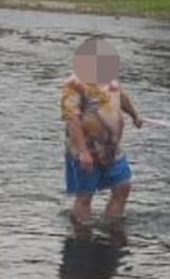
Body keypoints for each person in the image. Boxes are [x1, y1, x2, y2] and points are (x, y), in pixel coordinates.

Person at [61, 35, 143, 224]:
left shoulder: (109, 78)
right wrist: (83, 152)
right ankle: (81, 235)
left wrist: (134, 115)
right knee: (85, 195)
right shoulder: (74, 84)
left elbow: (120, 96)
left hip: (111, 148)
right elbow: (71, 118)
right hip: (85, 148)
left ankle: (111, 227)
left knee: (123, 187)